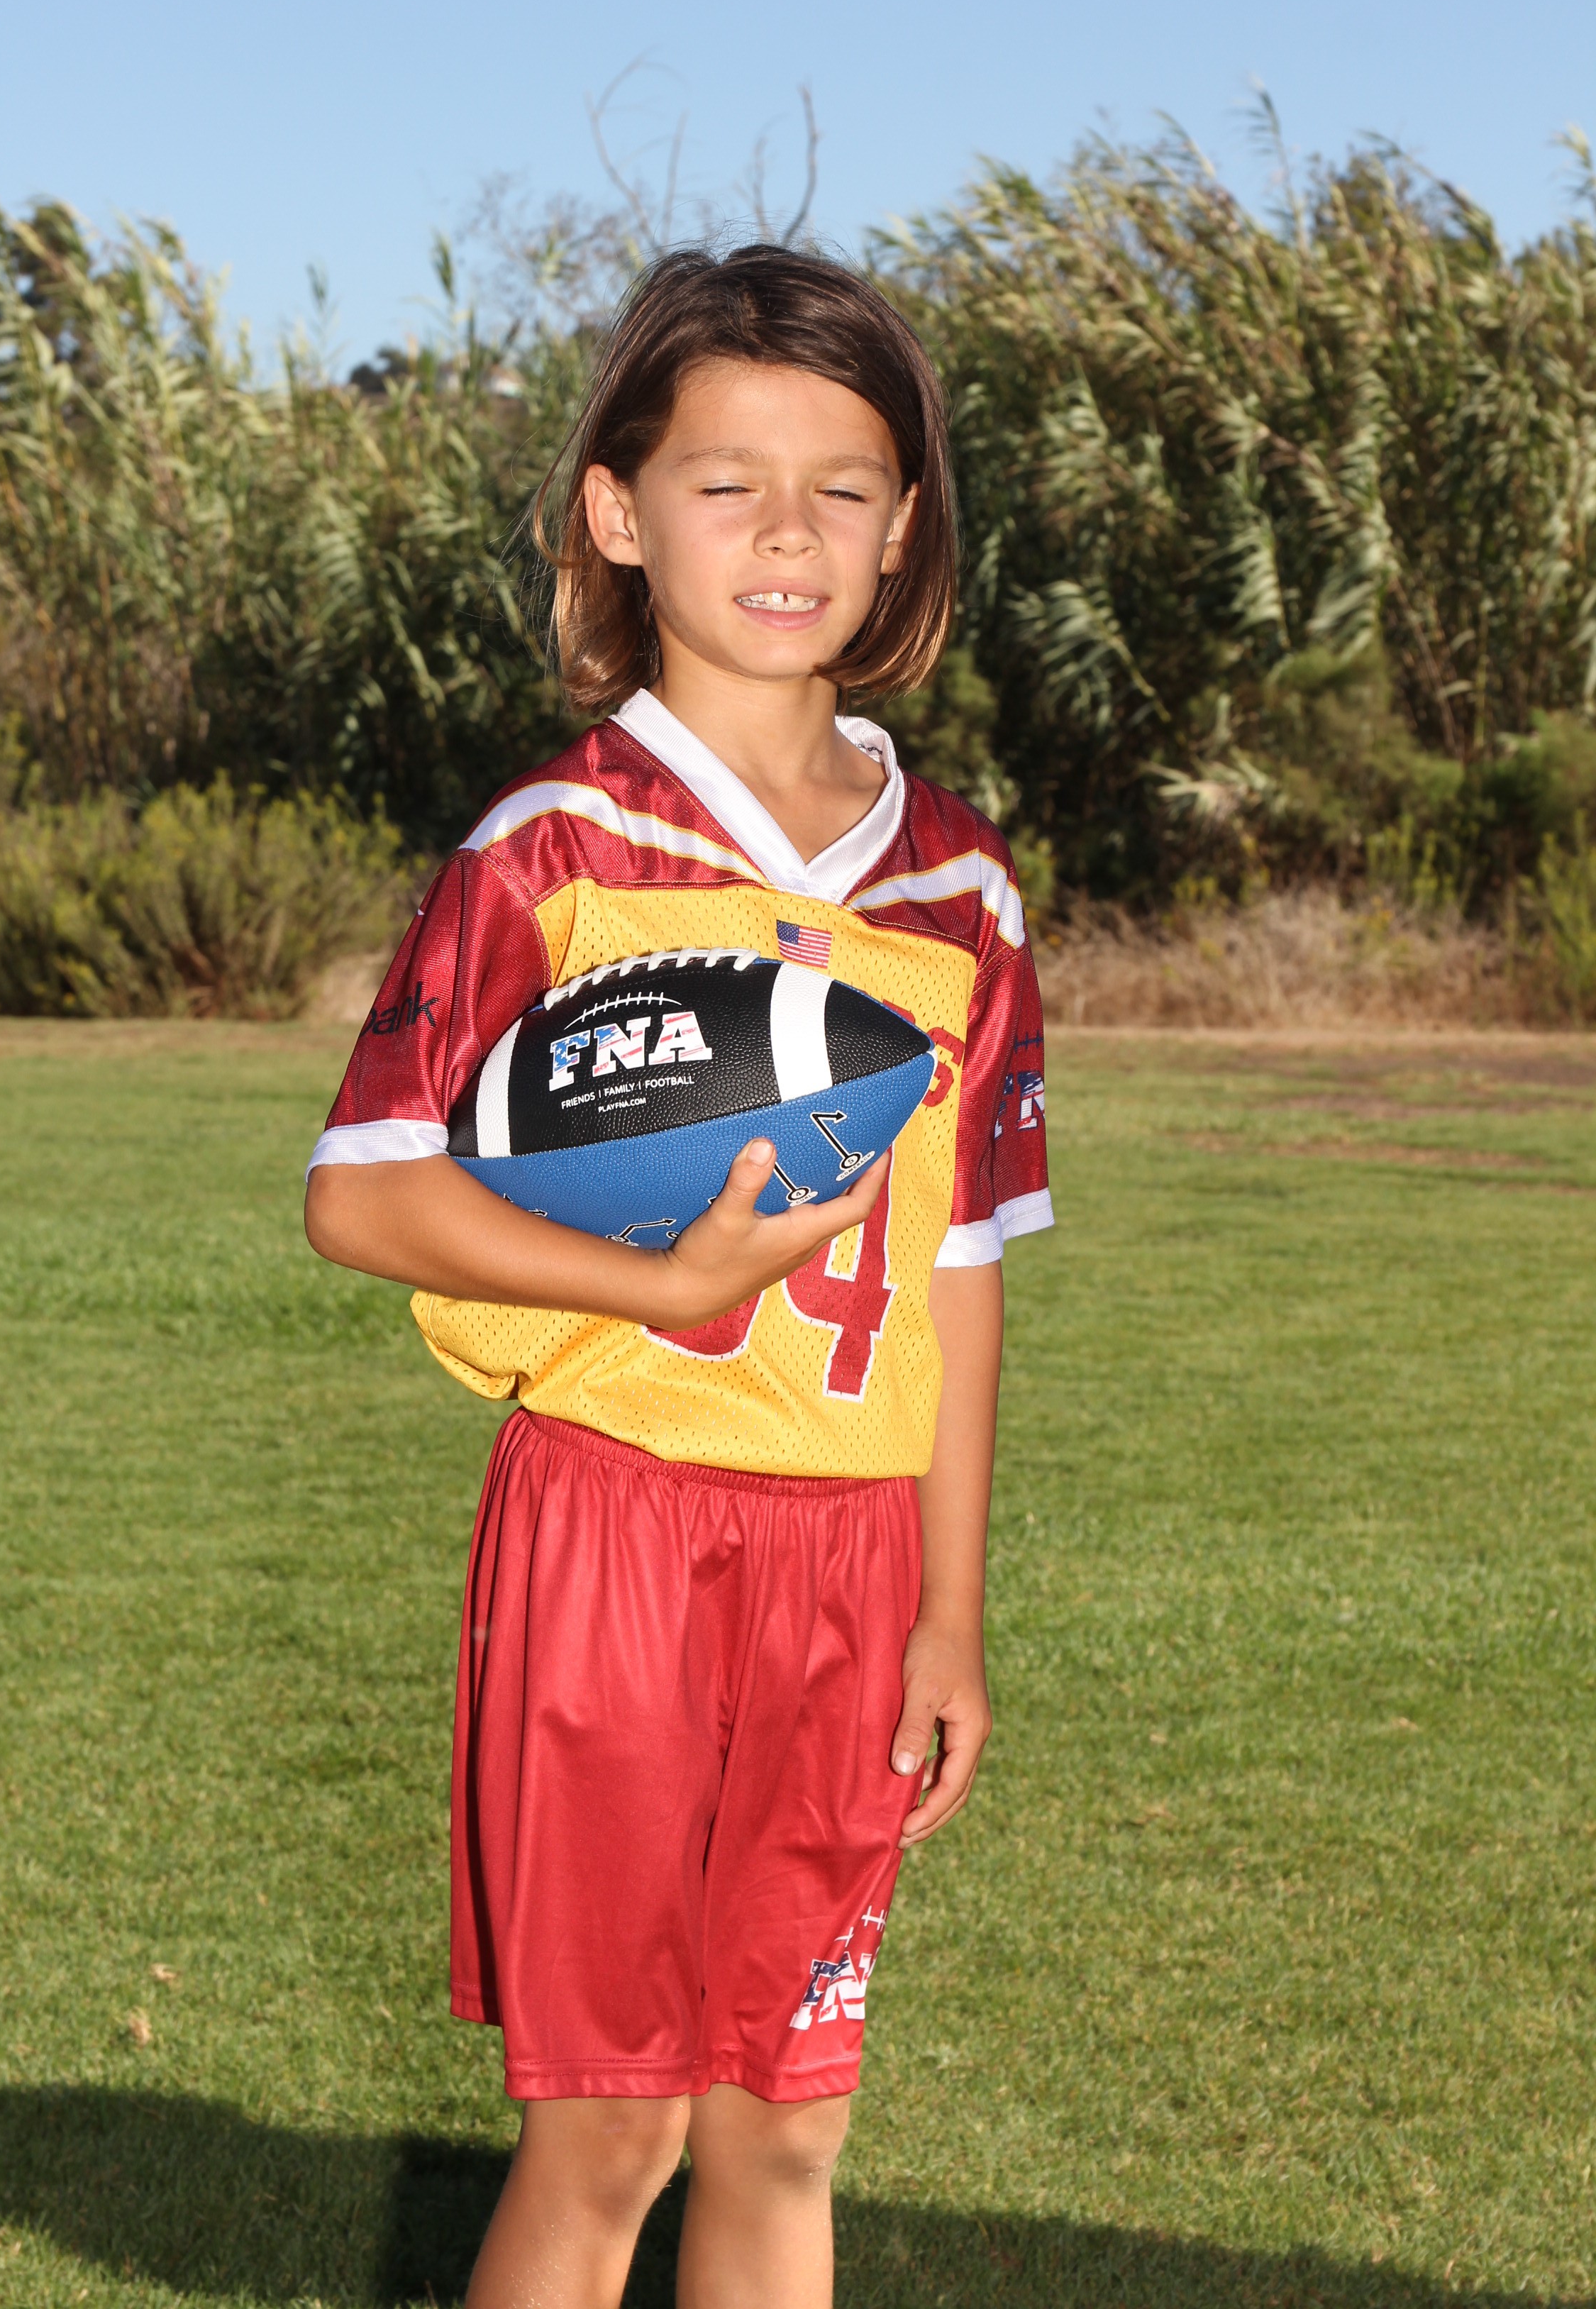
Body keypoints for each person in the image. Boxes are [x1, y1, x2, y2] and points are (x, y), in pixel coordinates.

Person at [304, 245, 1052, 2309]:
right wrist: (658, 1283)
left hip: (854, 1564)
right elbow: (362, 1199)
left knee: (786, 2128)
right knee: (612, 2130)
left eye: (844, 486)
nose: (789, 533)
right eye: (729, 484)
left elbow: (959, 1267)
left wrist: (952, 1611)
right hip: (618, 1532)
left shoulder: (960, 879)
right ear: (621, 515)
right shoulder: (556, 841)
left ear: (903, 529)